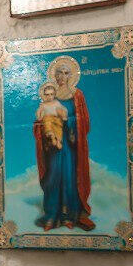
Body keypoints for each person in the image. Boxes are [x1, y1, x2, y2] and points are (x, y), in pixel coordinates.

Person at [35, 56, 93, 231]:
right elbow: (38, 121)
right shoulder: (49, 94)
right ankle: (52, 216)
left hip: (70, 143)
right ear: (54, 75)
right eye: (59, 72)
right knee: (53, 178)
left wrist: (68, 121)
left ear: (71, 75)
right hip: (53, 147)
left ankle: (70, 216)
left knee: (69, 177)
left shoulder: (77, 95)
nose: (62, 76)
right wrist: (44, 126)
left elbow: (84, 120)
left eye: (66, 73)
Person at [36, 82, 66, 150]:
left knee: (58, 129)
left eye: (51, 94)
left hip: (57, 120)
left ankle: (58, 140)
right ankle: (52, 136)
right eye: (47, 95)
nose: (49, 97)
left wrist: (62, 114)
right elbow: (39, 114)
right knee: (47, 121)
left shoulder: (56, 103)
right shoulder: (43, 105)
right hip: (48, 120)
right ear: (44, 95)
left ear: (54, 94)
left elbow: (62, 110)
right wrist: (39, 113)